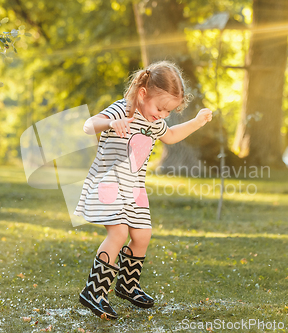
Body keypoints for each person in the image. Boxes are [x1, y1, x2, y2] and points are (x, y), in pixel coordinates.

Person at [74, 60, 212, 320]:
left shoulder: (154, 121)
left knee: (143, 235)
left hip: (134, 187)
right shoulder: (121, 111)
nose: (161, 115)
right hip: (109, 183)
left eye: (167, 112)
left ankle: (127, 285)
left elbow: (170, 135)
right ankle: (94, 291)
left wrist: (196, 122)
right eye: (160, 108)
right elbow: (88, 125)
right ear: (142, 93)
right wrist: (110, 124)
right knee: (119, 233)